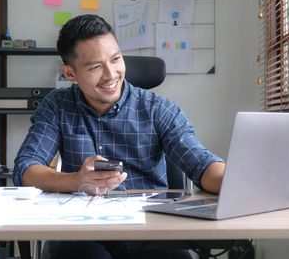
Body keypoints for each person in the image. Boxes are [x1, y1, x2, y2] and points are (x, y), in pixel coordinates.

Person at [13, 14, 225, 259]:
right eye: (95, 67)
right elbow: (26, 169)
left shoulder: (159, 109)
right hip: (83, 229)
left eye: (115, 59)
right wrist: (77, 180)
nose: (110, 74)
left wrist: (235, 181)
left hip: (150, 227)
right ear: (70, 73)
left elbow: (201, 164)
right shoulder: (58, 106)